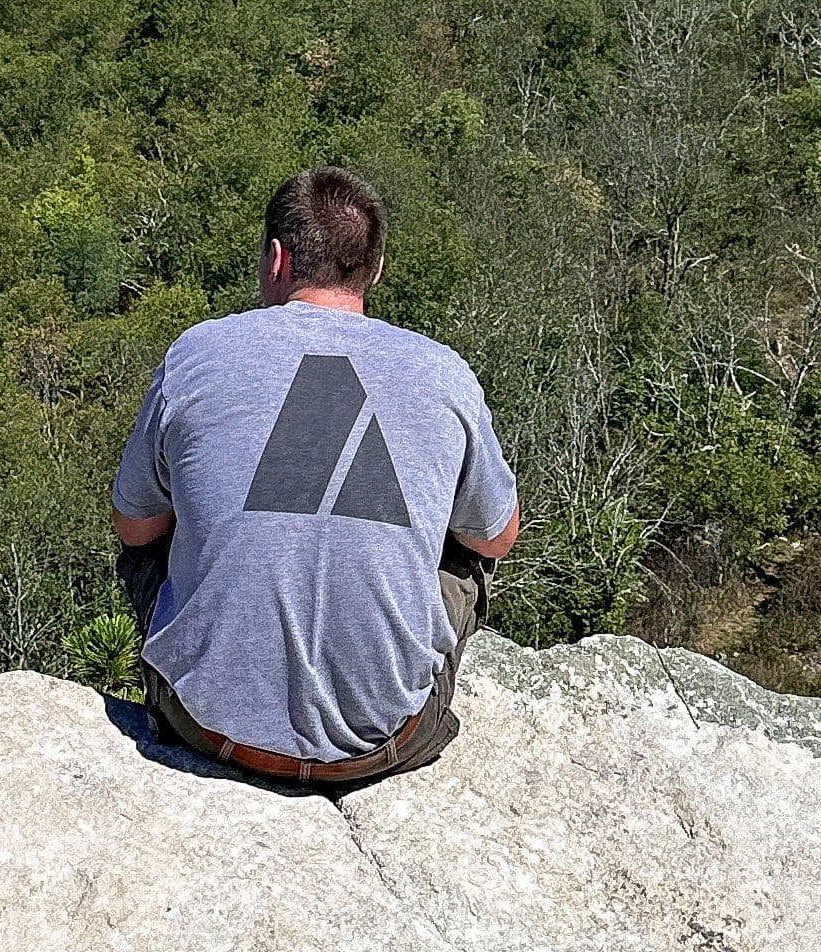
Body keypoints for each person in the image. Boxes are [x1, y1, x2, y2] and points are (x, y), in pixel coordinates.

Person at [112, 165, 521, 790]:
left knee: (156, 525)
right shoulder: (442, 374)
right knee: (463, 545)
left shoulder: (196, 354)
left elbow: (133, 528)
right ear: (374, 270)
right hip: (385, 742)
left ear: (276, 259)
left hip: (206, 728)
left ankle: (216, 675)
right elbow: (496, 537)